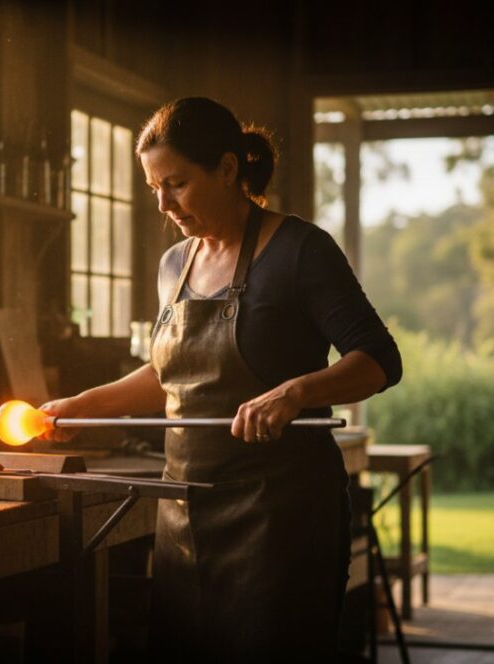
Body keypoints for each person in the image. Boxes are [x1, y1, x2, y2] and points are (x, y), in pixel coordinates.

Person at [40, 97, 401, 660]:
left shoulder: (301, 250)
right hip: (184, 515)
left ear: (229, 169)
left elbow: (379, 358)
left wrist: (295, 392)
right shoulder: (173, 266)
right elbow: (171, 374)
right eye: (154, 187)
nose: (164, 204)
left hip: (280, 521)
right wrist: (82, 404)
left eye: (177, 184)